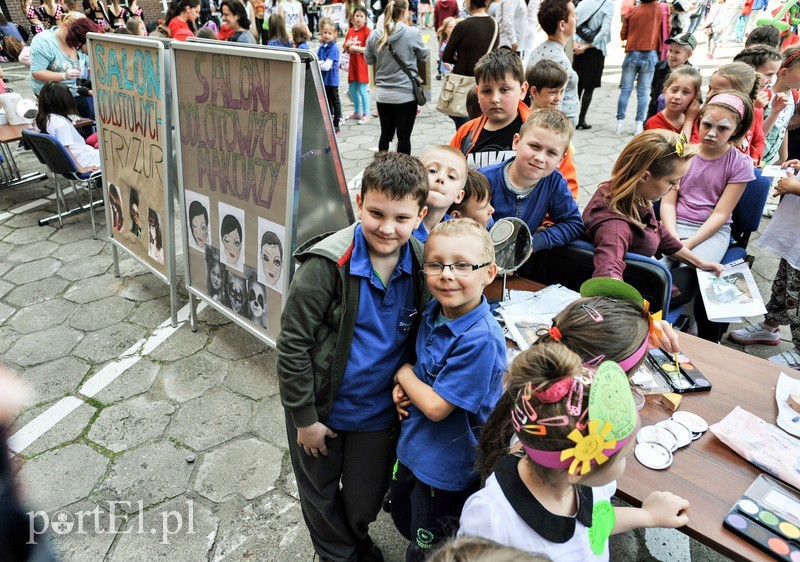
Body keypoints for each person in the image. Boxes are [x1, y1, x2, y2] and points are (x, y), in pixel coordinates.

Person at [276, 152, 429, 562]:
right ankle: (341, 557)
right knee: (320, 499)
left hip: (376, 416)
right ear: (359, 202)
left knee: (364, 502)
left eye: (401, 218)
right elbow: (292, 345)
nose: (386, 227)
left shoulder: (422, 263)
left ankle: (355, 542)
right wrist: (305, 420)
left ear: (421, 215)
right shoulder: (326, 264)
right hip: (321, 409)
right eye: (376, 213)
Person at [460, 341, 689, 558]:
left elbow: (593, 526)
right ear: (580, 466)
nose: (624, 463)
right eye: (622, 458)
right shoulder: (491, 520)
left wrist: (647, 516)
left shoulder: (588, 482)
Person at [391, 218, 505, 561]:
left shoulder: (480, 339)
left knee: (429, 548)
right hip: (415, 447)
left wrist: (402, 373)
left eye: (462, 265)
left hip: (445, 467)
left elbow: (438, 407)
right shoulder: (435, 311)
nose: (447, 274)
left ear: (489, 273)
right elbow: (427, 377)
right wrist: (408, 388)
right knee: (405, 516)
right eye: (436, 264)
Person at [584, 130, 723, 291]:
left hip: (645, 274)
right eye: (672, 182)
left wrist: (699, 263)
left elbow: (658, 230)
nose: (677, 187)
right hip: (643, 289)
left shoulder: (633, 195)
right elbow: (608, 273)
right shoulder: (615, 227)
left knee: (696, 273)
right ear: (644, 176)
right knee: (694, 281)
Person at [660, 91, 755, 267]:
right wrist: (672, 236)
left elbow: (721, 213)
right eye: (707, 125)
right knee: (652, 269)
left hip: (710, 232)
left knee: (688, 273)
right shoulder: (683, 154)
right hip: (672, 225)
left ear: (737, 130)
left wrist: (688, 243)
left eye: (722, 128)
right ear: (700, 119)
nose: (712, 133)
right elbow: (667, 203)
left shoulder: (740, 164)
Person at [479, 109, 584, 250]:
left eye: (551, 153)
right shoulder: (484, 179)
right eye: (534, 146)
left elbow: (573, 224)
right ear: (516, 142)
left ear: (561, 159)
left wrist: (532, 243)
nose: (540, 158)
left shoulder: (554, 182)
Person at [729, 160, 800, 368]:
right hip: (794, 234)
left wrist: (795, 187)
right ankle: (770, 326)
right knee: (783, 283)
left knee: (797, 298)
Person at [365, 0, 428, 154]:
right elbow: (423, 56)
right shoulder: (412, 33)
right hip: (406, 94)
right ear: (405, 11)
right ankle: (403, 171)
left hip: (383, 95)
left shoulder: (374, 35)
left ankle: (381, 168)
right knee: (404, 137)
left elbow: (369, 60)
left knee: (385, 134)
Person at [450, 49, 529, 170]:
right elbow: (449, 171)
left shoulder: (541, 132)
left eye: (504, 90)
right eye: (486, 91)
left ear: (522, 91)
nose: (495, 99)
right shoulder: (465, 133)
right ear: (477, 93)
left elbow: (566, 182)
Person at [441, 0, 498, 131]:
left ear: (469, 3)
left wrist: (462, 59)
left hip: (462, 84)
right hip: (485, 83)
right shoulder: (494, 24)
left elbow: (446, 56)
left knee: (463, 131)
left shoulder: (463, 26)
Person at [527, 59, 579, 200]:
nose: (558, 98)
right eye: (553, 92)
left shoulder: (559, 122)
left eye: (561, 91)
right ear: (534, 91)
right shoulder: (524, 123)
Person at [30, 16, 98, 120]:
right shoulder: (44, 41)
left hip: (77, 91)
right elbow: (37, 72)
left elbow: (91, 65)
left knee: (87, 120)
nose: (74, 41)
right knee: (62, 124)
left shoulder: (79, 41)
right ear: (65, 26)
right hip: (53, 95)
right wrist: (63, 76)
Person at [616, 0, 668, 136]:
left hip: (632, 52)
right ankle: (639, 124)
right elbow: (666, 30)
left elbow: (623, 34)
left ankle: (619, 123)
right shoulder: (659, 9)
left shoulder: (634, 10)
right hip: (650, 53)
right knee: (643, 91)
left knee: (625, 90)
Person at [527, 0, 579, 125]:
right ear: (562, 25)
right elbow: (556, 103)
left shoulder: (538, 50)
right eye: (573, 15)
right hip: (556, 128)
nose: (576, 19)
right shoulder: (557, 59)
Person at [34, 81, 99, 173]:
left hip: (60, 164)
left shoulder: (40, 119)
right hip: (82, 160)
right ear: (65, 101)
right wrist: (82, 170)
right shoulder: (61, 123)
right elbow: (66, 150)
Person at [707, 62, 764, 165]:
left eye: (717, 92)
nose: (708, 95)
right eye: (709, 89)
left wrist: (755, 158)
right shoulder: (707, 115)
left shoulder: (755, 113)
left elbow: (758, 139)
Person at [412, 145, 468, 242]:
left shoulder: (457, 234)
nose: (441, 178)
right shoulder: (403, 226)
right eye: (432, 171)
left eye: (451, 176)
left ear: (459, 196)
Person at [572, 0, 613, 131]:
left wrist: (575, 44)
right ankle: (581, 119)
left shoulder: (583, 2)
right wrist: (586, 46)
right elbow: (604, 31)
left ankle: (572, 117)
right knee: (589, 88)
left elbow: (573, 22)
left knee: (576, 85)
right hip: (595, 51)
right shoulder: (608, 4)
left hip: (577, 50)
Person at [762, 46, 800, 167]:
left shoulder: (794, 96)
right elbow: (757, 132)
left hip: (771, 162)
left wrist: (783, 156)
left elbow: (784, 127)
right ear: (783, 72)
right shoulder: (764, 96)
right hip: (753, 161)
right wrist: (775, 113)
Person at [646, 33, 695, 122]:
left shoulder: (692, 75)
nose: (671, 55)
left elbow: (695, 101)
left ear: (688, 55)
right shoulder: (660, 66)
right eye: (670, 50)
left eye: (677, 52)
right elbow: (654, 91)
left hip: (676, 120)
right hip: (655, 115)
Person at [644, 66, 701, 138]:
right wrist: (688, 121)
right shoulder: (654, 123)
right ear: (665, 91)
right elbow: (681, 149)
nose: (677, 96)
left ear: (695, 97)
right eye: (674, 90)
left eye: (685, 92)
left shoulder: (695, 119)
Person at [343, 6, 371, 124]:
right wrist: (346, 46)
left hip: (362, 65)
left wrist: (354, 47)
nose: (359, 19)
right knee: (352, 89)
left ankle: (366, 113)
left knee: (363, 90)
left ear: (365, 19)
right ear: (352, 18)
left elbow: (369, 50)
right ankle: (357, 111)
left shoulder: (367, 32)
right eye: (357, 16)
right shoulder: (350, 31)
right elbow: (345, 49)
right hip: (352, 65)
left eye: (361, 16)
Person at [316, 17, 342, 134]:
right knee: (327, 101)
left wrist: (321, 63)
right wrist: (322, 63)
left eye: (330, 33)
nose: (327, 35)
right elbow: (318, 61)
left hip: (332, 79)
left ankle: (337, 123)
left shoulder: (334, 48)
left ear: (335, 35)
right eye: (325, 33)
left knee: (335, 100)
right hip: (324, 79)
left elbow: (325, 65)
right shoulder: (321, 47)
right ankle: (329, 122)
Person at [435, 16, 457, 81]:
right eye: (450, 27)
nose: (453, 29)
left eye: (455, 26)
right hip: (450, 73)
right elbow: (445, 61)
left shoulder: (455, 41)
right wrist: (452, 69)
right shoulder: (445, 44)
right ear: (445, 30)